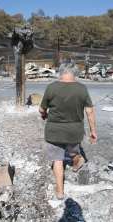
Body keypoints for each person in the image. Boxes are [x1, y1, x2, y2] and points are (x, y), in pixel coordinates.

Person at [39, 62, 97, 200]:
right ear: (75, 73)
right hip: (74, 131)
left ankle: (60, 192)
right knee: (72, 152)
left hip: (54, 131)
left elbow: (42, 109)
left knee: (57, 159)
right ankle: (77, 162)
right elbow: (89, 111)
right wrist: (93, 131)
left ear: (60, 72)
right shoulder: (82, 89)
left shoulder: (51, 87)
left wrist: (44, 115)